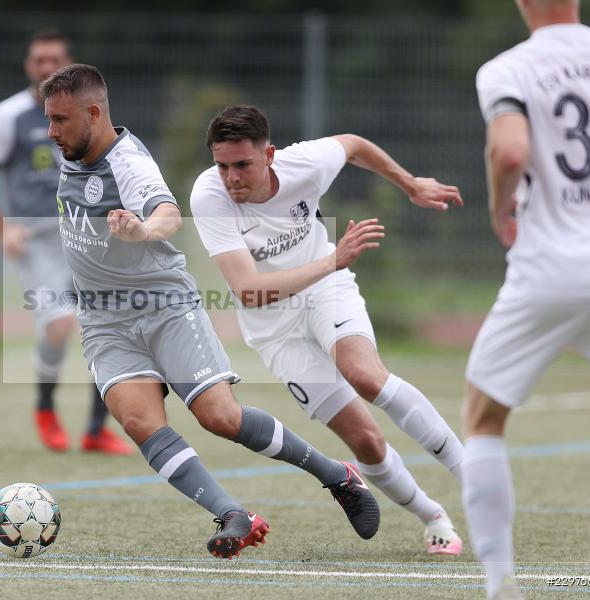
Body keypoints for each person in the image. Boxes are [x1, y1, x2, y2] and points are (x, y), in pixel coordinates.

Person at [41, 63, 382, 559]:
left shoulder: (129, 163)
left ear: (94, 113)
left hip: (163, 307)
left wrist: (142, 230)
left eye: (60, 120)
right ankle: (231, 514)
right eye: (49, 119)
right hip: (104, 320)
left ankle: (337, 475)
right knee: (138, 420)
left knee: (220, 417)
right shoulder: (72, 151)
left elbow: (167, 213)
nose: (52, 131)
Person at [190, 105, 466, 555]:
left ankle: (473, 477)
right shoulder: (209, 197)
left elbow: (353, 145)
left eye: (243, 164)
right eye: (223, 166)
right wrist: (333, 259)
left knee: (365, 375)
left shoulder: (305, 163)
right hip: (274, 328)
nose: (232, 177)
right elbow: (249, 292)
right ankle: (433, 516)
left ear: (270, 156)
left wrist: (410, 184)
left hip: (325, 291)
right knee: (366, 441)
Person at [462, 1, 590, 598]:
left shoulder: (509, 68)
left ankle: (501, 584)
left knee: (483, 418)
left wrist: (499, 206)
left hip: (548, 269)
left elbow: (509, 151)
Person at [0, 31, 130, 455]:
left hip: (87, 235)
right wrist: (2, 230)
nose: (45, 66)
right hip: (37, 242)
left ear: (67, 63)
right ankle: (45, 408)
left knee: (106, 324)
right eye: (38, 59)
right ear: (28, 65)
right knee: (59, 325)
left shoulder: (89, 113)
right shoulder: (9, 116)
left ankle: (96, 429)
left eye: (53, 59)